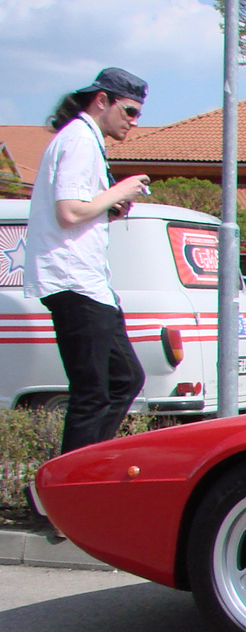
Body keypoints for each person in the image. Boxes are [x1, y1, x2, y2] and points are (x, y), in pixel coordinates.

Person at [23, 67, 152, 452]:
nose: (133, 122)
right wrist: (121, 190)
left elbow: (80, 210)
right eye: (128, 111)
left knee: (124, 379)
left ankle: (85, 475)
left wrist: (109, 207)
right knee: (92, 393)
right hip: (73, 280)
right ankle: (70, 488)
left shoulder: (85, 140)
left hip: (90, 284)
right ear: (102, 101)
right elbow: (69, 211)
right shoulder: (79, 139)